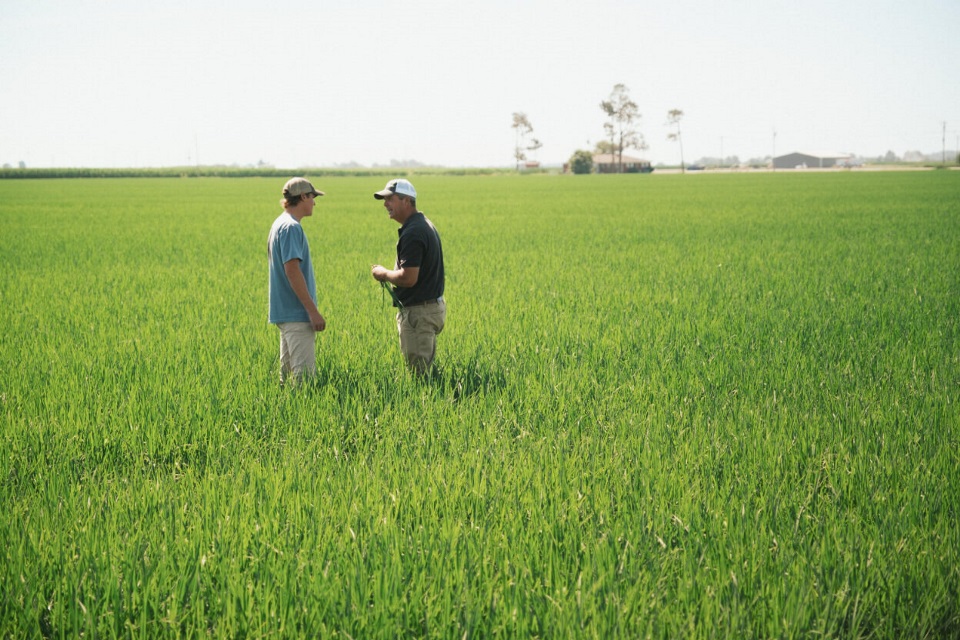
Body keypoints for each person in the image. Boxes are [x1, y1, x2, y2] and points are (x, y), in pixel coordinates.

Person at [371, 178, 445, 376]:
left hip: (419, 314)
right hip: (427, 310)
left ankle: (430, 406)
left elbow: (408, 278)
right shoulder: (422, 224)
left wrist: (383, 273)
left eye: (389, 199)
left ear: (406, 201)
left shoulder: (413, 232)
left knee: (420, 375)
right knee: (423, 370)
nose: (385, 204)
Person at [267, 177, 326, 384]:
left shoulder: (279, 224)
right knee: (304, 381)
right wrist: (312, 311)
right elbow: (292, 271)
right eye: (312, 197)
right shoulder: (291, 227)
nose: (314, 202)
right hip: (297, 314)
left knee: (287, 379)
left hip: (285, 312)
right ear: (302, 197)